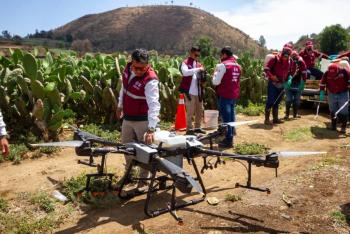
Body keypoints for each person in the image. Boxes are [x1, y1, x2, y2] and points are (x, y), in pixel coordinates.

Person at [116, 48, 160, 189]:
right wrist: (120, 105)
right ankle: (128, 174)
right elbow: (124, 88)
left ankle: (143, 180)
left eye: (143, 68)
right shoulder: (128, 70)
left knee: (145, 151)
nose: (140, 71)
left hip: (142, 120)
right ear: (131, 62)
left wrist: (151, 128)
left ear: (148, 64)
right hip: (128, 118)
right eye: (137, 68)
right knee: (126, 147)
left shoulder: (150, 80)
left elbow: (154, 105)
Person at [212, 46, 241, 148]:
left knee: (226, 118)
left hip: (225, 94)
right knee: (232, 116)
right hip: (234, 94)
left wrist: (214, 73)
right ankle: (231, 135)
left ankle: (228, 140)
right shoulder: (237, 65)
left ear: (224, 54)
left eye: (221, 54)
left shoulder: (222, 65)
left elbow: (215, 82)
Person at [264, 43, 293, 125]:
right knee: (271, 101)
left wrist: (289, 79)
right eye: (285, 52)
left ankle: (275, 119)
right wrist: (272, 76)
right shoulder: (274, 59)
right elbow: (266, 69)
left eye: (288, 52)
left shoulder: (290, 62)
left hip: (282, 84)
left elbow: (290, 73)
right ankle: (266, 119)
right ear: (283, 51)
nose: (285, 57)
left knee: (277, 102)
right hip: (273, 84)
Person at [179, 46, 206, 134]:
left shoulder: (199, 64)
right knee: (190, 111)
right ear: (190, 53)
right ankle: (189, 129)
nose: (197, 57)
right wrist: (198, 69)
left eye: (198, 55)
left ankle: (197, 127)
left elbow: (203, 77)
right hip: (189, 92)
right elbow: (185, 73)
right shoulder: (185, 63)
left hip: (199, 91)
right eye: (195, 55)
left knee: (200, 110)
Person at [319, 63, 350, 133]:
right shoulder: (326, 73)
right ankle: (333, 126)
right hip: (332, 93)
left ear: (338, 70)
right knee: (333, 110)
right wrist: (321, 91)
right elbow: (322, 82)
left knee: (343, 110)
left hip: (343, 93)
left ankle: (343, 127)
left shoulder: (345, 72)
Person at [284, 51, 308, 119]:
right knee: (289, 99)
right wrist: (286, 80)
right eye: (292, 55)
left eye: (295, 55)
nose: (294, 57)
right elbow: (285, 71)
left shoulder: (301, 62)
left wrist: (303, 82)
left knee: (297, 100)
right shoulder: (288, 61)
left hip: (298, 83)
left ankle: (295, 114)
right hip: (289, 83)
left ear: (297, 55)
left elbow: (304, 72)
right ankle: (287, 115)